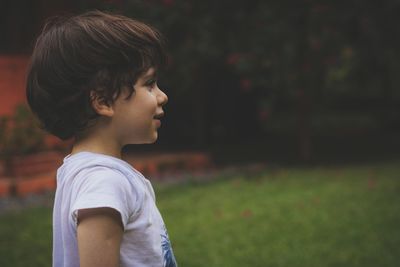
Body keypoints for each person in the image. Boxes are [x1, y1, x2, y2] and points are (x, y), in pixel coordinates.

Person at [26, 10, 178, 267]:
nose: (162, 96)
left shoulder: (83, 170)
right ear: (103, 101)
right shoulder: (104, 181)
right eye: (149, 84)